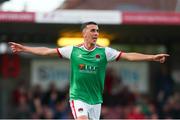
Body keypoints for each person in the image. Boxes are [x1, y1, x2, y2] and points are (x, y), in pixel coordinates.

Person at [9, 21, 169, 120]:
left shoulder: (104, 52)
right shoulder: (73, 50)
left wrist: (152, 57)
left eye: (98, 31)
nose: (96, 34)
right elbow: (46, 51)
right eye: (93, 30)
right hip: (78, 97)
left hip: (96, 100)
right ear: (84, 33)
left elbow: (129, 56)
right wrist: (25, 49)